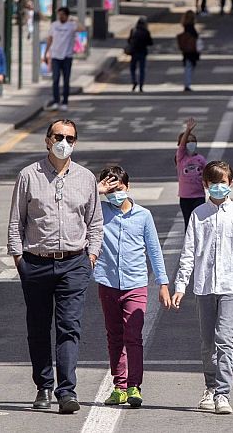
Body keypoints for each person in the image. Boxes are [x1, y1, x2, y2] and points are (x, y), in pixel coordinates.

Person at [8, 119, 104, 414]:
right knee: (38, 327)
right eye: (59, 136)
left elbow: (95, 222)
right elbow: (16, 222)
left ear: (76, 142)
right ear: (47, 140)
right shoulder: (28, 175)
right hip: (35, 263)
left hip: (74, 263)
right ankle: (43, 386)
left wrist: (91, 256)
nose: (64, 142)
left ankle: (67, 391)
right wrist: (19, 259)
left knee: (69, 327)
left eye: (70, 138)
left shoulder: (86, 178)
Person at [172, 160, 233, 415]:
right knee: (207, 342)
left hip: (232, 285)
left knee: (225, 338)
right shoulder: (199, 214)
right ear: (205, 185)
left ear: (231, 183)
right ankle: (209, 387)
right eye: (213, 184)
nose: (219, 187)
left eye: (223, 183)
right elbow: (188, 251)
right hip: (204, 286)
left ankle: (223, 393)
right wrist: (181, 285)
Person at [94, 166, 170, 408]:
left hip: (136, 283)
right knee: (114, 335)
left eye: (119, 189)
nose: (114, 194)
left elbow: (155, 251)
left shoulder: (143, 215)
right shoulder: (99, 211)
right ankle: (119, 386)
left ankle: (134, 386)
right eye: (110, 190)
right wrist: (97, 191)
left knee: (133, 335)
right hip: (107, 282)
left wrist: (163, 282)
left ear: (128, 187)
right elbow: (78, 203)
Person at [44, 7, 85, 111]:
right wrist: (46, 52)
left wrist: (75, 20)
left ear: (67, 15)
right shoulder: (54, 25)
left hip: (67, 56)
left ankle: (65, 102)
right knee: (55, 79)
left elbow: (82, 29)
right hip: (55, 56)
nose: (60, 16)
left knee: (66, 80)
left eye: (62, 14)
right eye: (59, 14)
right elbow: (50, 38)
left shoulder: (71, 25)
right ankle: (56, 101)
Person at [175, 118, 207, 229]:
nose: (190, 144)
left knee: (199, 223)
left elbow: (207, 174)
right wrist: (188, 130)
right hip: (185, 197)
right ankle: (189, 245)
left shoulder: (200, 159)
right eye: (188, 142)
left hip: (199, 196)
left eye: (193, 141)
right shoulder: (181, 158)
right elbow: (182, 146)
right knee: (188, 223)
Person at [127, 17, 153, 93]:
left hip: (134, 52)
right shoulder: (146, 32)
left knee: (133, 68)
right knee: (142, 70)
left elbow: (129, 40)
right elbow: (150, 42)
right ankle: (141, 86)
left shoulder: (133, 30)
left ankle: (134, 80)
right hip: (142, 52)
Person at [176, 10, 200, 92]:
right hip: (191, 50)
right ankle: (187, 84)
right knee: (189, 67)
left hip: (186, 50)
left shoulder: (185, 26)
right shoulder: (191, 28)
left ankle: (187, 83)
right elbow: (195, 37)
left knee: (187, 66)